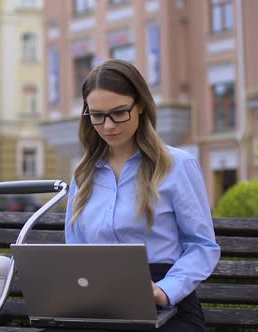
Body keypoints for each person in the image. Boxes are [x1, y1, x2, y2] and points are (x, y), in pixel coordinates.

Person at [64, 59, 221, 332]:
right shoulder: (83, 174)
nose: (108, 125)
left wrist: (164, 290)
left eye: (119, 112)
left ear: (141, 106)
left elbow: (202, 246)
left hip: (167, 300)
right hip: (100, 302)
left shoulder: (177, 165)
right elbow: (76, 250)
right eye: (97, 115)